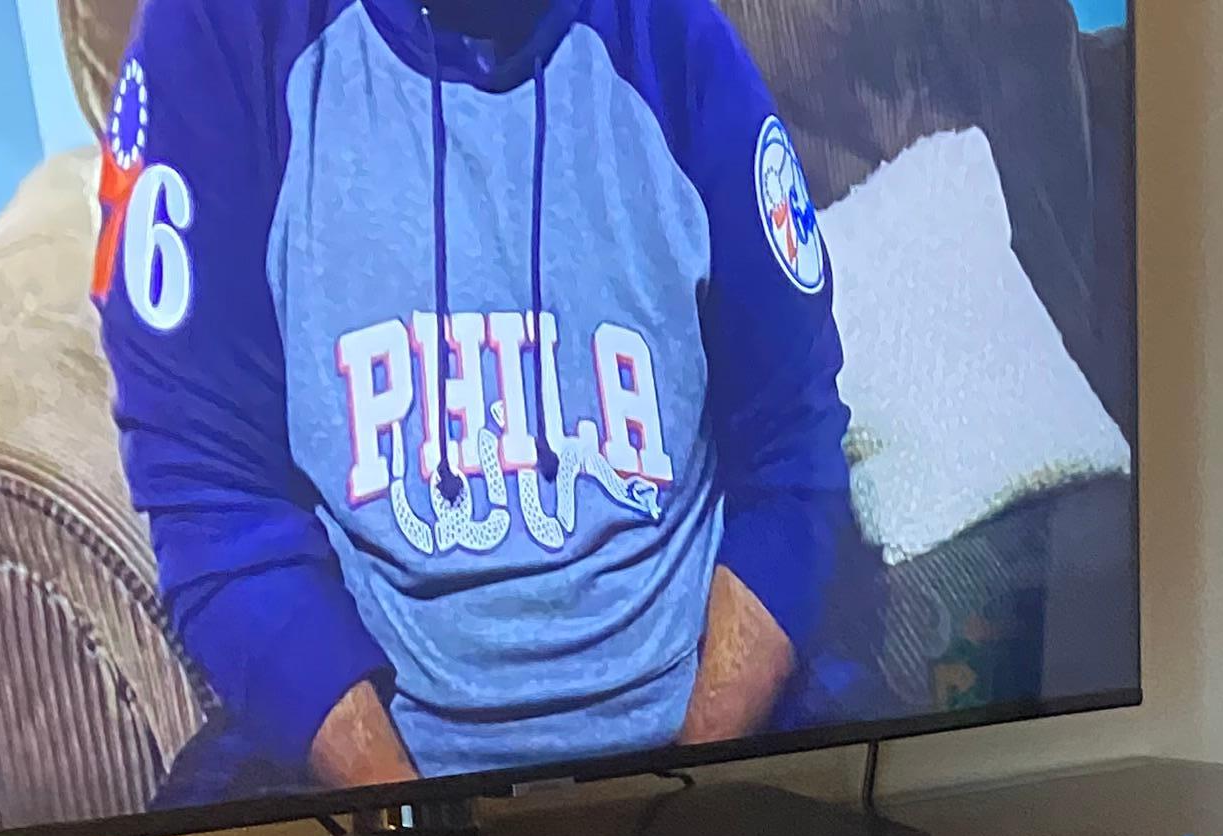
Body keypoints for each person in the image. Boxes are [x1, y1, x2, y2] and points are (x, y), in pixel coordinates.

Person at [95, 0, 860, 792]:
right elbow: (211, 496)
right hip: (370, 784)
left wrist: (689, 798)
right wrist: (416, 829)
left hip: (705, 748)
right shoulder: (220, 33)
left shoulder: (673, 38)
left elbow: (792, 449)